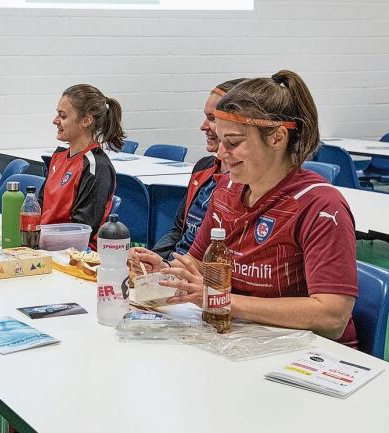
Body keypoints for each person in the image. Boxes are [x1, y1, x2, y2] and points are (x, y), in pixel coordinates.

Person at [130, 70, 358, 347]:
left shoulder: (320, 206)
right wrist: (162, 273)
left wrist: (223, 300)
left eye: (234, 143)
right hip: (243, 340)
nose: (221, 154)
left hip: (307, 353)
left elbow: (332, 317)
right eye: (221, 140)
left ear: (277, 138)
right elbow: (199, 267)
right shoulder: (226, 190)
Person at [151, 78, 246, 259]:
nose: (203, 126)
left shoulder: (248, 185)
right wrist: (153, 260)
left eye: (212, 119)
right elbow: (180, 230)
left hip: (203, 275)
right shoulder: (204, 167)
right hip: (178, 267)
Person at [38, 84, 120, 250]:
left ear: (86, 120)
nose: (55, 121)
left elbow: (81, 230)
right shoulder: (58, 157)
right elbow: (38, 206)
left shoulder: (96, 167)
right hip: (44, 246)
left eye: (63, 116)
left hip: (74, 256)